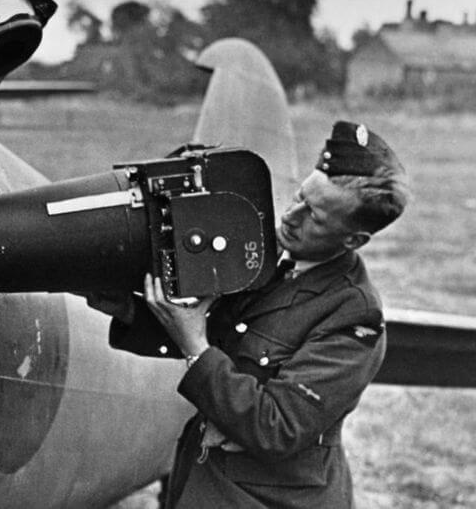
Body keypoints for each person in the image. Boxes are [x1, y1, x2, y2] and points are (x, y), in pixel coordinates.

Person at [97, 121, 408, 508]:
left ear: (353, 240)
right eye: (300, 197)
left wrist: (195, 344)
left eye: (316, 217)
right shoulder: (268, 260)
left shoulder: (354, 316)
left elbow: (278, 427)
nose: (292, 216)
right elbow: (214, 329)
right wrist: (128, 307)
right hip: (206, 482)